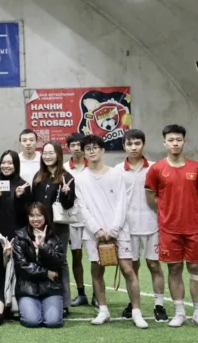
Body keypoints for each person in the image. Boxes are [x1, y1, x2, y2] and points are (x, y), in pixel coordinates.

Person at [75, 135, 147, 328]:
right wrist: (96, 229)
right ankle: (103, 310)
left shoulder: (117, 174)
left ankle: (136, 312)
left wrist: (114, 229)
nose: (92, 151)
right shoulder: (80, 179)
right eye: (88, 148)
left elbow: (123, 203)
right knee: (97, 271)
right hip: (93, 233)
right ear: (84, 152)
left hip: (119, 230)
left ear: (102, 150)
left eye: (95, 147)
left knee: (128, 270)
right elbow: (82, 207)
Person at [145, 124, 198, 327]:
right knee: (174, 269)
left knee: (195, 268)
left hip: (194, 228)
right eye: (171, 140)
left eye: (178, 140)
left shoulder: (195, 167)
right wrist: (167, 210)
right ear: (164, 143)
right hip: (169, 229)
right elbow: (151, 196)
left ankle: (197, 311)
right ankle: (179, 312)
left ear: (184, 142)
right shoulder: (157, 169)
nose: (175, 143)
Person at [116, 129, 167, 322]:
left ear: (143, 145)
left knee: (154, 265)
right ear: (124, 146)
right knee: (132, 267)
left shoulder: (155, 168)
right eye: (129, 144)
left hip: (152, 224)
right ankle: (133, 303)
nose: (133, 147)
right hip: (127, 227)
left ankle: (159, 305)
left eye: (137, 143)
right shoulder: (117, 171)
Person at [30, 141, 75, 314]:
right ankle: (42, 298)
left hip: (59, 227)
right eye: (45, 153)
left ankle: (64, 303)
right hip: (40, 227)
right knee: (39, 260)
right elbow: (33, 203)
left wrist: (66, 193)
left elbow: (69, 206)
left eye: (51, 153)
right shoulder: (38, 176)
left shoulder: (66, 177)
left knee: (61, 262)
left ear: (58, 155)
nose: (47, 156)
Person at [12, 203, 64, 328]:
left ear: (45, 216)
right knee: (32, 321)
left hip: (50, 287)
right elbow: (22, 266)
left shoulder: (54, 237)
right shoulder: (20, 237)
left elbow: (57, 263)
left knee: (53, 322)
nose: (35, 219)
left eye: (39, 215)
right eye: (32, 216)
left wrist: (43, 246)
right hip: (27, 287)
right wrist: (46, 273)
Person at [62, 133, 90, 307]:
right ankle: (81, 294)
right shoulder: (64, 169)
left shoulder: (93, 166)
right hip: (71, 218)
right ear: (68, 148)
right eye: (73, 145)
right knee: (76, 256)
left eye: (80, 145)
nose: (77, 148)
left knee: (96, 258)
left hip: (92, 219)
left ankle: (98, 294)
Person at [0, 150, 31, 239]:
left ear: (16, 165)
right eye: (3, 163)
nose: (6, 166)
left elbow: (26, 214)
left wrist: (18, 197)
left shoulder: (23, 185)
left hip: (16, 234)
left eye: (10, 163)